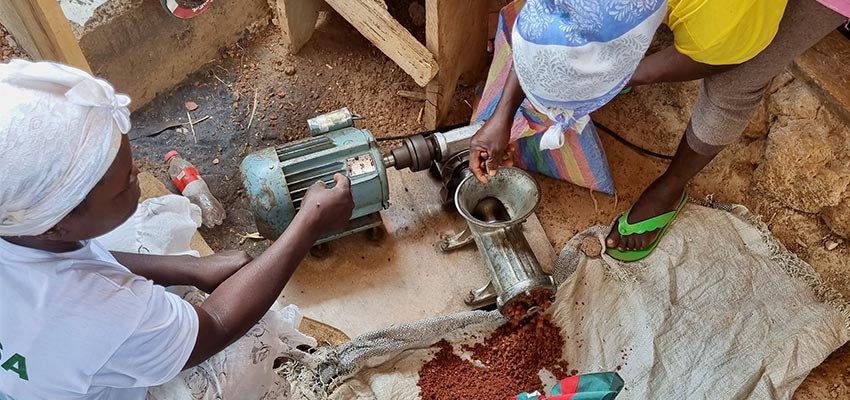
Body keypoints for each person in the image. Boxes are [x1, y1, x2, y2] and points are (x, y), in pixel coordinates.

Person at [0, 59, 354, 399]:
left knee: (150, 235)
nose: (138, 171)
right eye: (124, 183)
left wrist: (190, 268)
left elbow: (74, 262)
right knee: (250, 342)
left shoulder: (20, 223)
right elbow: (214, 326)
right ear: (56, 224)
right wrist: (308, 225)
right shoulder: (94, 309)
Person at [469, 0, 849, 261]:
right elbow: (555, 16)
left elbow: (711, 59)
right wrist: (503, 113)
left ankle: (671, 187)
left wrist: (612, 78)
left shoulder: (721, 28)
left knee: (739, 80)